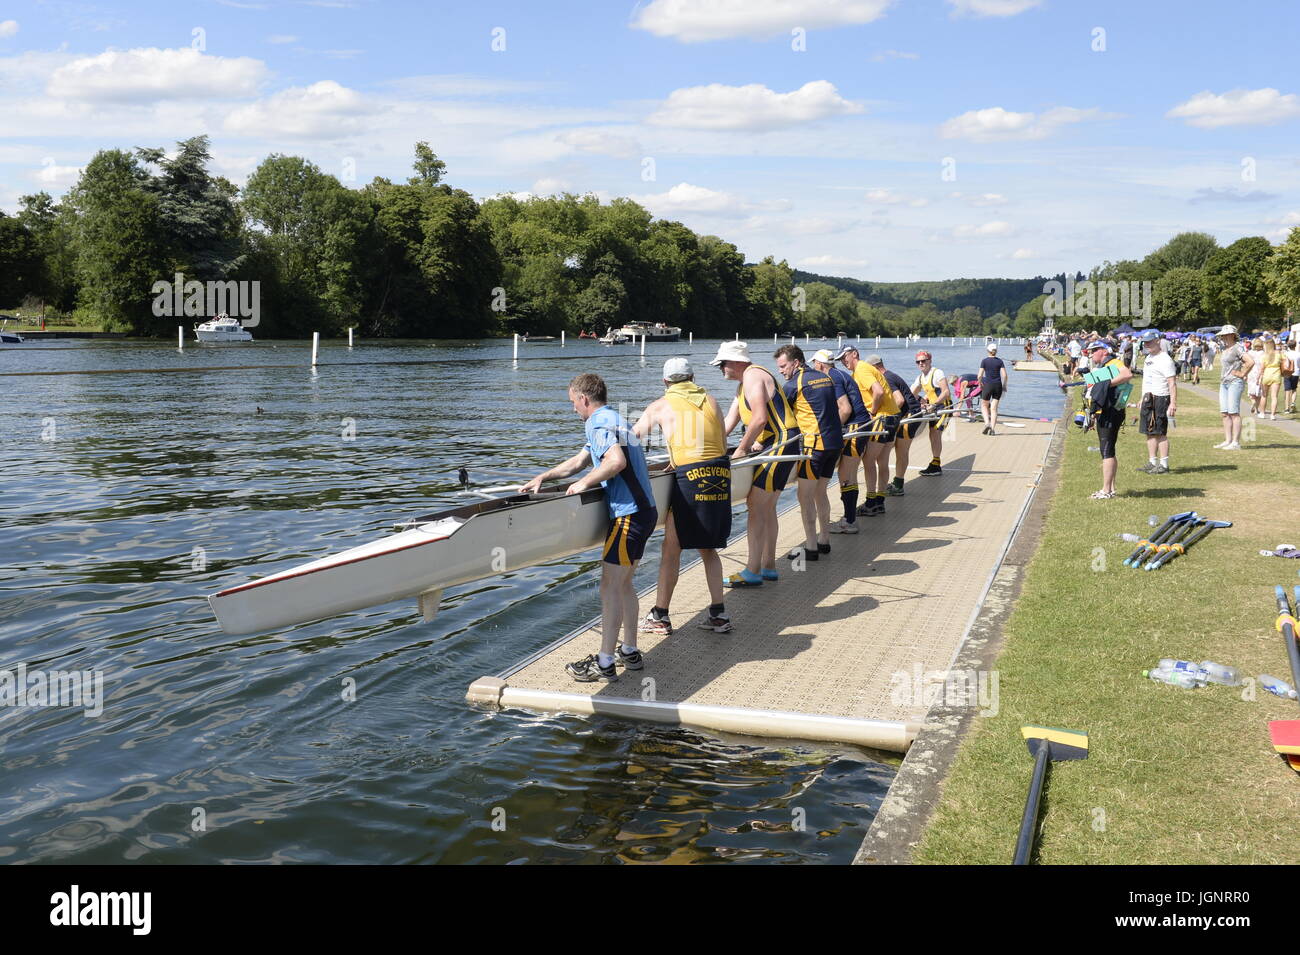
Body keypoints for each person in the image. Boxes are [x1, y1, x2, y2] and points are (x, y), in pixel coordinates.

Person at [522, 373, 656, 682]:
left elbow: (616, 461)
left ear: (584, 399)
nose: (573, 409)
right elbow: (580, 461)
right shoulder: (614, 419)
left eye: (573, 403)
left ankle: (605, 663)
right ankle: (629, 651)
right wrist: (546, 476)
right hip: (645, 511)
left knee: (609, 586)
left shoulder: (597, 422)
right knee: (624, 584)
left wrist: (583, 484)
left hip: (628, 516)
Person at [632, 358, 733, 636]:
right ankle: (718, 615)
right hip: (720, 473)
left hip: (690, 478)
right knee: (708, 548)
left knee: (670, 548)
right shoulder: (711, 400)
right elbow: (722, 444)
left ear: (666, 382)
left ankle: (660, 617)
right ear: (693, 377)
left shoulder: (660, 405)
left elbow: (631, 440)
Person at [714, 340, 796, 586]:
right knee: (767, 507)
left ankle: (752, 571)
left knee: (756, 505)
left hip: (781, 442)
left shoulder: (752, 376)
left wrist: (740, 450)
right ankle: (769, 566)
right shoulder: (743, 385)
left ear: (736, 362)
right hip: (780, 442)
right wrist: (708, 449)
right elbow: (727, 424)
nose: (720, 368)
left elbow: (759, 419)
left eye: (723, 363)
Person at [774, 344, 848, 560]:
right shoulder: (824, 377)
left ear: (796, 362)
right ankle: (824, 541)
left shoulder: (793, 383)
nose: (780, 370)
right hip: (834, 444)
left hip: (813, 447)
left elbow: (780, 416)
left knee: (804, 496)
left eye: (783, 366)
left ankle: (811, 548)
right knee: (820, 492)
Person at [810, 348, 869, 533]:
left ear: (820, 364)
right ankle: (849, 518)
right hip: (860, 426)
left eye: (814, 364)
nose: (813, 367)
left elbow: (845, 409)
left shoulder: (832, 378)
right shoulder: (839, 374)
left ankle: (849, 522)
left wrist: (829, 430)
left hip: (855, 428)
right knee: (850, 475)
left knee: (846, 475)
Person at [833, 345, 893, 516]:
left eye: (845, 357)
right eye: (840, 360)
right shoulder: (862, 369)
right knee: (881, 461)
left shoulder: (861, 369)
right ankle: (879, 501)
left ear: (855, 354)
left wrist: (872, 411)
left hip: (881, 418)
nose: (843, 362)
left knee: (868, 460)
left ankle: (871, 502)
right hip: (891, 418)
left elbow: (879, 392)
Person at [1083, 341, 1133, 499]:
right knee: (1108, 449)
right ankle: (1111, 488)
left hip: (1111, 411)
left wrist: (1105, 384)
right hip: (1108, 410)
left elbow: (1127, 374)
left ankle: (1105, 491)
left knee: (1106, 450)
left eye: (1093, 351)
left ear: (1103, 351)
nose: (1090, 354)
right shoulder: (1104, 366)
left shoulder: (1113, 362)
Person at [871, 354, 921, 496]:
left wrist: (891, 417)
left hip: (910, 415)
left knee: (901, 451)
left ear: (874, 367)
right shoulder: (890, 374)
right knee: (895, 449)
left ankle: (898, 486)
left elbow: (899, 400)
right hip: (910, 413)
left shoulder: (886, 378)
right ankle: (895, 483)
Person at [1136, 329, 1177, 474]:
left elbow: (1172, 383)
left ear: (1158, 341)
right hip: (1149, 398)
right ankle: (1152, 462)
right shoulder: (1148, 358)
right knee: (1149, 431)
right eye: (1145, 343)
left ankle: (1164, 464)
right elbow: (1147, 381)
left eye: (1150, 342)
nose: (1147, 345)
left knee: (1160, 432)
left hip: (1161, 398)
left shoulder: (1165, 359)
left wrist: (1172, 403)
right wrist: (1142, 398)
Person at [910, 350, 951, 478]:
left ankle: (936, 465)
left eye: (924, 360)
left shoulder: (937, 373)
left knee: (935, 433)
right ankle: (935, 463)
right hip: (933, 410)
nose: (921, 363)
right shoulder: (920, 378)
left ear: (930, 361)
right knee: (932, 434)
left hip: (945, 408)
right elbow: (911, 394)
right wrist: (922, 402)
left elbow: (946, 392)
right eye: (918, 362)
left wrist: (934, 404)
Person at [1215, 325, 1253, 450]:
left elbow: (1250, 362)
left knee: (1233, 413)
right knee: (1225, 413)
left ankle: (1235, 442)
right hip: (1224, 383)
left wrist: (1242, 374)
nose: (1223, 337)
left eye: (1226, 335)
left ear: (1232, 335)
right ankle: (1228, 440)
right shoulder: (1226, 348)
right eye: (1222, 335)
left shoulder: (1238, 348)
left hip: (1234, 383)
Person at [978, 342, 1008, 435]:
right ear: (996, 351)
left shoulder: (984, 361)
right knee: (994, 408)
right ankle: (993, 429)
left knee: (984, 405)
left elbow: (979, 375)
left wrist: (980, 383)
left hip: (988, 385)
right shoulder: (1000, 361)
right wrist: (1004, 386)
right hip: (998, 385)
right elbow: (1005, 375)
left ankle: (987, 423)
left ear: (988, 351)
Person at [1260, 335, 1284, 419]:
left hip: (1266, 374)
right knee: (1274, 397)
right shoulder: (1279, 354)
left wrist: (1259, 376)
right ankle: (1272, 415)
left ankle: (1262, 413)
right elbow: (1283, 363)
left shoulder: (1264, 355)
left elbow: (1262, 368)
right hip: (1276, 374)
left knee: (1264, 395)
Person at [1247, 336, 1265, 416]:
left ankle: (1253, 402)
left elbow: (1247, 363)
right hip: (1260, 373)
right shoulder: (1264, 353)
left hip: (1251, 373)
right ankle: (1256, 409)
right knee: (1259, 393)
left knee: (1251, 391)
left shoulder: (1250, 353)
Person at [1283, 337, 1298, 415]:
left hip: (1287, 373)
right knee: (1294, 389)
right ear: (1295, 346)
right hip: (1296, 373)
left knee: (1287, 390)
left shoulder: (1286, 353)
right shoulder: (1298, 354)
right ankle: (1292, 403)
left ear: (1288, 346)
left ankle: (1286, 409)